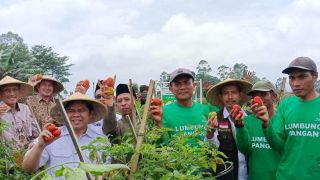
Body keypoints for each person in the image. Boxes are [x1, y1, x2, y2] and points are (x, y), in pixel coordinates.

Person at [254, 57, 320, 179]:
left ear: (315, 76)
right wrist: (267, 124)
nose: (296, 83)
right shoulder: (285, 105)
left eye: (302, 77)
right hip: (286, 176)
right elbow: (278, 145)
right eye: (292, 78)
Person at [22, 92, 109, 177]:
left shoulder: (100, 140)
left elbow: (105, 172)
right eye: (71, 111)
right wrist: (40, 146)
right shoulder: (51, 136)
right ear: (64, 114)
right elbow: (27, 168)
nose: (76, 115)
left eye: (81, 110)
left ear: (91, 113)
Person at [206, 78, 252, 180]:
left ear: (240, 95)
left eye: (234, 92)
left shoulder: (250, 118)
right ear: (220, 97)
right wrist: (210, 134)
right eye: (226, 93)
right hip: (227, 176)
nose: (230, 96)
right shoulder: (215, 119)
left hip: (249, 175)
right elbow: (210, 150)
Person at [234, 80, 280, 180]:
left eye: (263, 94)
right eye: (255, 95)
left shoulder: (282, 119)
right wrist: (239, 127)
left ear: (274, 96)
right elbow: (245, 149)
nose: (259, 98)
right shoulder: (247, 121)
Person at [150, 68, 210, 144]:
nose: (182, 87)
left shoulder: (205, 110)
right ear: (170, 89)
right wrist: (158, 124)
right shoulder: (162, 112)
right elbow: (158, 147)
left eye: (187, 83)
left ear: (194, 86)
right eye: (177, 84)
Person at [0, 76, 39, 149]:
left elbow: (35, 133)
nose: (12, 93)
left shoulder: (25, 109)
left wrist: (33, 144)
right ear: (1, 94)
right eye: (7, 90)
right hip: (8, 158)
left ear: (19, 92)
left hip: (30, 154)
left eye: (15, 90)